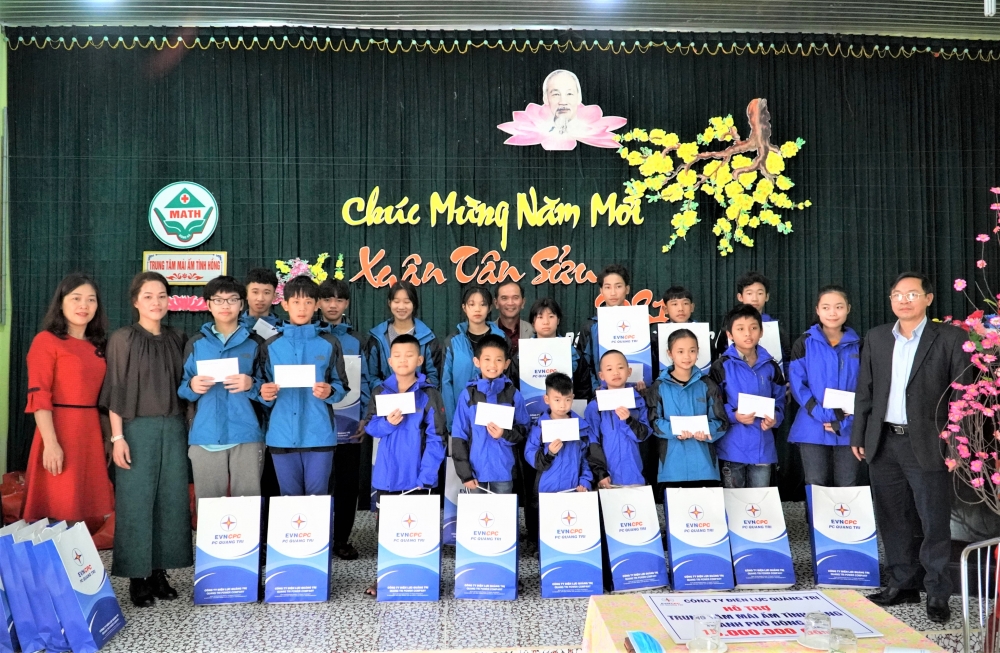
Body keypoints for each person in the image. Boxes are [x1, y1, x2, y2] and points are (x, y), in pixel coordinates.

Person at [853, 272, 971, 623]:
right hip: (883, 441)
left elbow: (962, 396)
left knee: (933, 520)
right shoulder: (876, 337)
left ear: (928, 298)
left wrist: (956, 445)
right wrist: (859, 435)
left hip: (929, 444)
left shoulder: (950, 337)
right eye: (897, 294)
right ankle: (902, 583)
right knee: (892, 517)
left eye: (912, 294)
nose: (904, 300)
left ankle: (937, 592)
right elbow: (865, 391)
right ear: (890, 299)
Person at [101, 271, 191, 607]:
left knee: (171, 502)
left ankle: (158, 572)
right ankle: (136, 578)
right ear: (135, 301)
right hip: (135, 429)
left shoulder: (178, 337)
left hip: (174, 428)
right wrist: (117, 437)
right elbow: (116, 389)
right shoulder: (123, 339)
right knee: (136, 502)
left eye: (162, 296)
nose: (156, 302)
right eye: (149, 296)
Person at [23, 273, 114, 527]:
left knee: (86, 510)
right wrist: (51, 443)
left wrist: (107, 436)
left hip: (91, 434)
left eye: (91, 300)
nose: (84, 305)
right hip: (59, 430)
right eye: (76, 298)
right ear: (61, 303)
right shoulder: (46, 341)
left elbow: (104, 398)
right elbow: (39, 396)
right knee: (58, 505)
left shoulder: (99, 346)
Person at [362, 334, 447, 597]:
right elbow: (371, 427)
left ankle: (421, 577)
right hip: (387, 475)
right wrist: (387, 423)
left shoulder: (429, 394)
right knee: (387, 531)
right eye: (397, 356)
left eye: (409, 355)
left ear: (419, 360)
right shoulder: (380, 391)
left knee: (418, 530)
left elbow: (437, 438)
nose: (403, 360)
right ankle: (385, 577)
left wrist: (427, 475)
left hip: (417, 477)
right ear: (389, 361)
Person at [178, 276, 265, 509]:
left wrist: (251, 384)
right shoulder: (196, 343)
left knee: (247, 507)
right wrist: (192, 386)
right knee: (209, 509)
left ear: (242, 304)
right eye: (218, 300)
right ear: (208, 304)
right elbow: (182, 388)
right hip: (205, 435)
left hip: (247, 435)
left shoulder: (256, 343)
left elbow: (269, 390)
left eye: (232, 299)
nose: (225, 306)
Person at [259, 276, 349, 497]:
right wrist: (264, 393)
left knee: (318, 501)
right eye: (296, 302)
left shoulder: (329, 343)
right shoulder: (271, 345)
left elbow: (341, 385)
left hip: (319, 434)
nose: (302, 308)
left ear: (316, 305)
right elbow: (260, 386)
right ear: (285, 304)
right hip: (281, 435)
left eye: (308, 302)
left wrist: (330, 392)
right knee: (289, 501)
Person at [317, 278, 371, 561]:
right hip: (316, 424)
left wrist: (364, 417)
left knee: (348, 484)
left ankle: (341, 539)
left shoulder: (357, 340)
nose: (333, 305)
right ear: (318, 303)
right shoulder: (311, 337)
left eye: (339, 299)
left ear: (347, 303)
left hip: (349, 423)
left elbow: (366, 381)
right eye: (327, 299)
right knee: (319, 483)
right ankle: (316, 538)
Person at [788, 286, 862, 487]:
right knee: (815, 483)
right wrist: (823, 414)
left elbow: (866, 389)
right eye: (826, 307)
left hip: (849, 426)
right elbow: (797, 384)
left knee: (847, 483)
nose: (832, 313)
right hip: (812, 424)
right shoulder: (804, 343)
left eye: (839, 307)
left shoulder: (860, 345)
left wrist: (847, 420)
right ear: (817, 310)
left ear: (848, 309)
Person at [709, 304, 786, 488]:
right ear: (729, 334)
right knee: (734, 500)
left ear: (761, 332)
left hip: (763, 448)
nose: (748, 334)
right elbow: (713, 403)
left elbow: (780, 400)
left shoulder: (771, 366)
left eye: (753, 328)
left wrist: (775, 417)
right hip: (731, 447)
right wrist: (733, 416)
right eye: (740, 329)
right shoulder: (721, 366)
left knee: (759, 501)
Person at [650, 329, 728, 491]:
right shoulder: (659, 386)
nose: (687, 356)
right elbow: (653, 422)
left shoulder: (707, 384)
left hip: (705, 468)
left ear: (698, 352)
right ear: (670, 353)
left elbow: (721, 422)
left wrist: (706, 431)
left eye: (692, 351)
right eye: (680, 351)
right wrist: (676, 430)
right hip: (672, 470)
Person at [451, 334, 530, 494]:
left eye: (498, 360)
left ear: (506, 363)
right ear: (477, 362)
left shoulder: (513, 394)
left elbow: (524, 429)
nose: (492, 365)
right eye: (487, 359)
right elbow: (459, 435)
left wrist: (504, 434)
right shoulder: (467, 395)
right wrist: (465, 473)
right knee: (477, 510)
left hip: (503, 470)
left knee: (503, 510)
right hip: (475, 470)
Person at [575, 264, 655, 400]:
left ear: (627, 289)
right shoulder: (591, 326)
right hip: (602, 395)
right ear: (601, 291)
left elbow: (651, 358)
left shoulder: (639, 322)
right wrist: (596, 388)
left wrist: (646, 386)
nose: (613, 293)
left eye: (618, 286)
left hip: (637, 394)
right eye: (607, 287)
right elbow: (585, 365)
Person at [442, 285, 508, 426]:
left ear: (490, 308)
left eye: (482, 304)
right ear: (464, 307)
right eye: (472, 304)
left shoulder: (501, 338)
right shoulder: (453, 341)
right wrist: (452, 423)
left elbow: (508, 380)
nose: (477, 309)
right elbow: (446, 382)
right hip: (462, 417)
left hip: (495, 420)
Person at [585, 350, 651, 488]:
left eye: (620, 367)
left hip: (636, 477)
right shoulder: (594, 406)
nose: (615, 372)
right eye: (609, 369)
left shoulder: (639, 401)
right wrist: (600, 473)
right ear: (601, 376)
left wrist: (629, 420)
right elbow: (592, 442)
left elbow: (644, 435)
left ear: (629, 371)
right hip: (609, 479)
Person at [525, 372, 595, 493]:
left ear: (573, 398)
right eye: (557, 400)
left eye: (567, 399)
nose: (563, 405)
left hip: (573, 489)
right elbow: (530, 454)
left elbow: (586, 457)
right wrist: (549, 453)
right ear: (547, 399)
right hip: (546, 489)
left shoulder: (581, 427)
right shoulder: (539, 427)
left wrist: (585, 481)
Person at [365, 280, 442, 390]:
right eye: (396, 301)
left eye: (406, 302)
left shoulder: (428, 338)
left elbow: (433, 377)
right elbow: (371, 376)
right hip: (385, 398)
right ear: (389, 303)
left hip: (419, 398)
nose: (401, 307)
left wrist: (414, 391)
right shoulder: (377, 337)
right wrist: (389, 392)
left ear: (414, 304)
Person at [712, 271, 789, 370]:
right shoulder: (729, 324)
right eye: (749, 293)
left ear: (767, 297)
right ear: (740, 297)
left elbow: (787, 358)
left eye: (760, 293)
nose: (754, 298)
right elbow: (720, 355)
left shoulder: (775, 327)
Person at [494, 279, 535, 359]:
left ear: (523, 302)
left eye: (515, 298)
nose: (510, 303)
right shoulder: (488, 331)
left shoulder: (533, 331)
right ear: (496, 303)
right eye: (504, 298)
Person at [542, 69, 582, 134]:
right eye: (556, 94)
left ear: (579, 97)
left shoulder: (588, 131)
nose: (563, 102)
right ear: (545, 98)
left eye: (569, 94)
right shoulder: (541, 131)